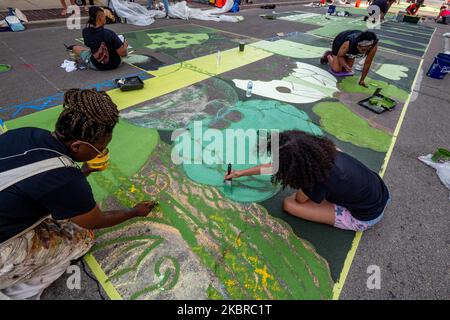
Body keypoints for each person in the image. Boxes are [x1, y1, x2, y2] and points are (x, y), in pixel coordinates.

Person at [0, 89, 157, 299]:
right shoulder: (66, 178)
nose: (100, 153)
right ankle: (19, 292)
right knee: (81, 238)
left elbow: (46, 184)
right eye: (100, 148)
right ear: (77, 146)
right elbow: (94, 220)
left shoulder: (26, 133)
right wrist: (134, 212)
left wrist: (85, 170)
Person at [224, 130, 390, 232]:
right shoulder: (326, 151)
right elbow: (276, 165)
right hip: (380, 191)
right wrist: (241, 173)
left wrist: (302, 186)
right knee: (324, 193)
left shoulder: (316, 180)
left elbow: (299, 200)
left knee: (289, 204)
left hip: (366, 217)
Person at [67, 6, 128, 71]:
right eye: (104, 16)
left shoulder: (86, 31)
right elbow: (123, 54)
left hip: (95, 64)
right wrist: (125, 44)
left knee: (77, 48)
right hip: (115, 64)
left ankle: (71, 48)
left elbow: (87, 44)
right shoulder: (109, 33)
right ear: (100, 18)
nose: (105, 18)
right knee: (117, 47)